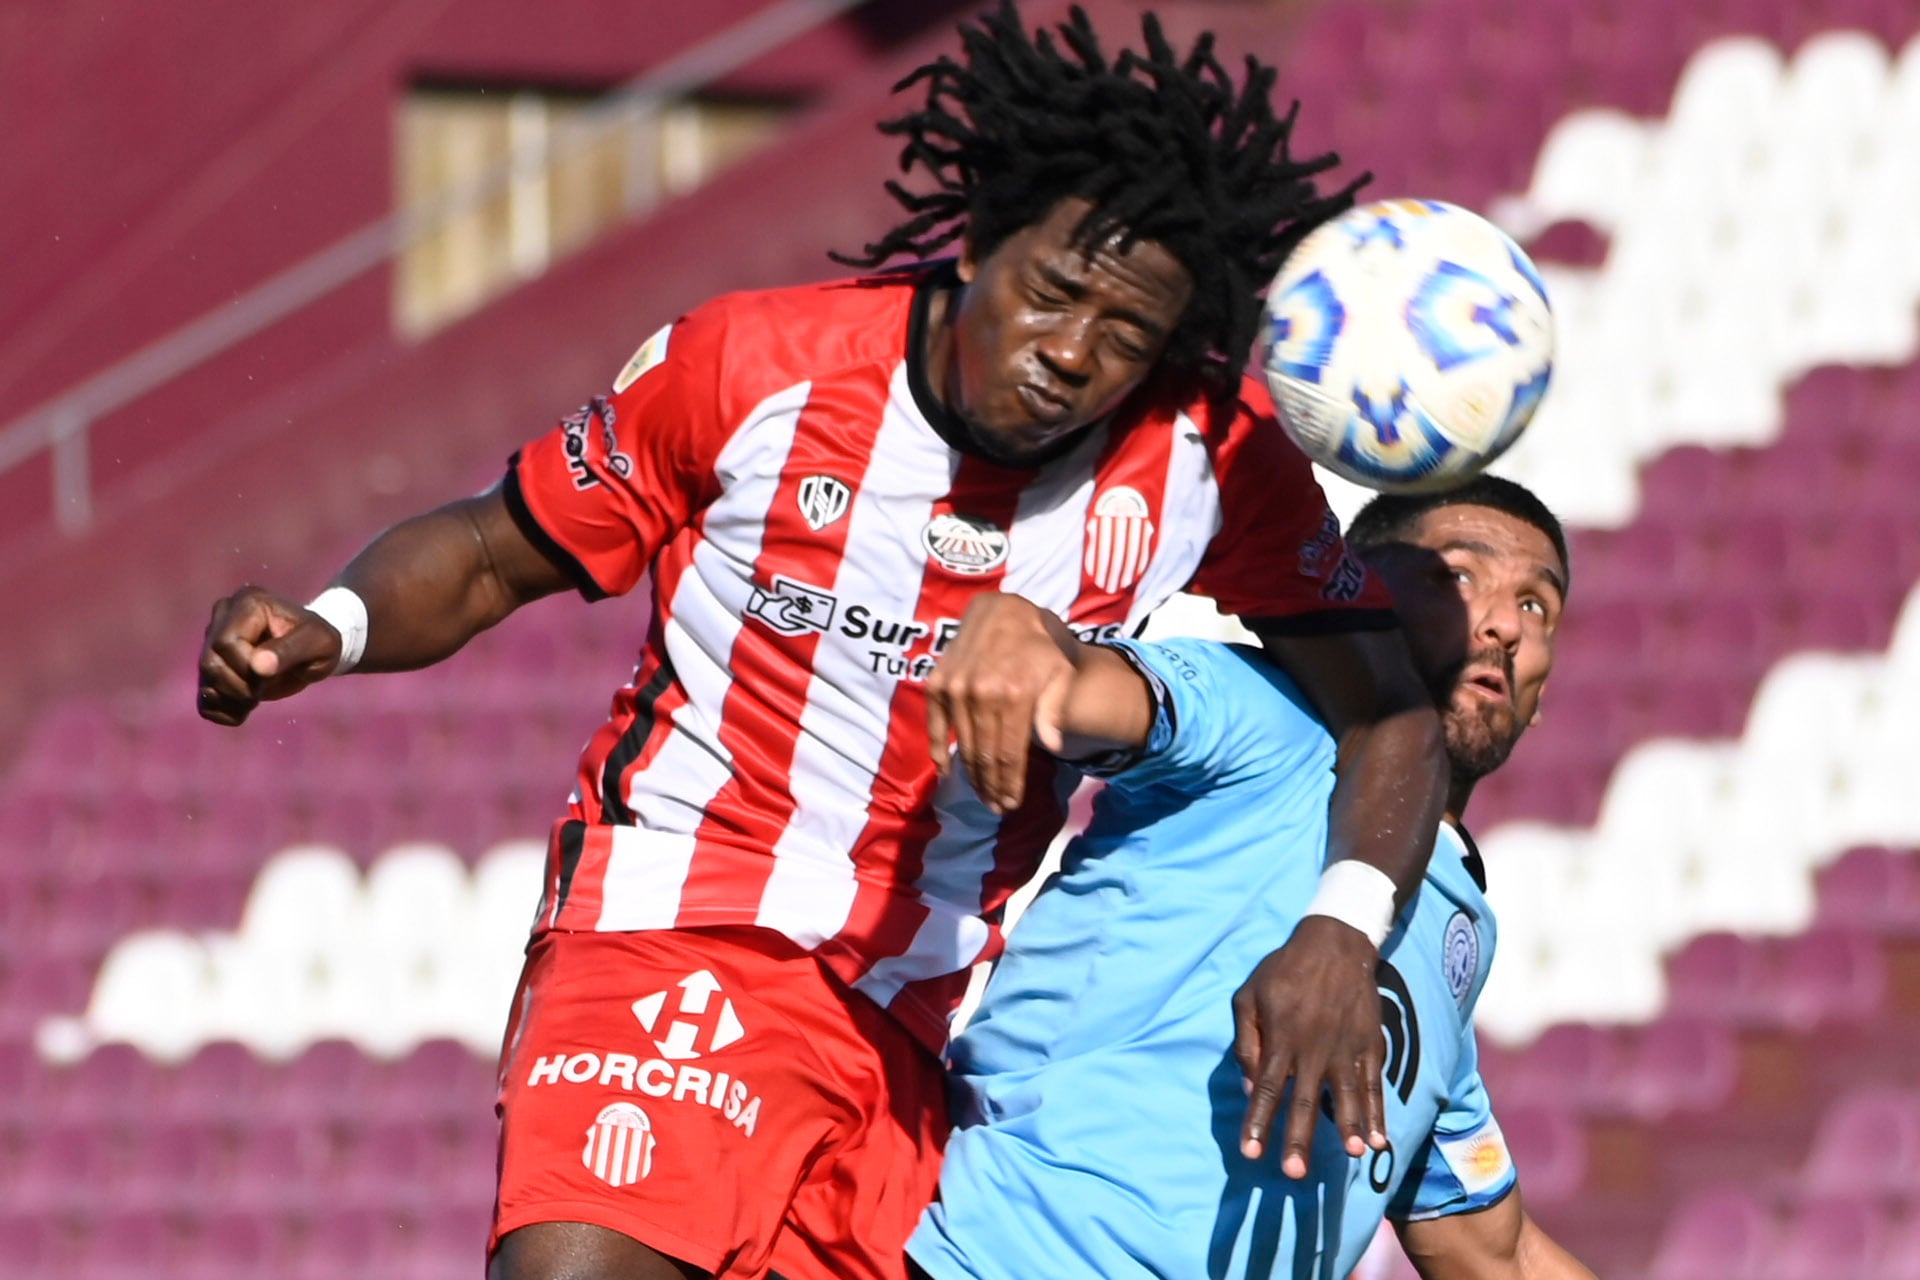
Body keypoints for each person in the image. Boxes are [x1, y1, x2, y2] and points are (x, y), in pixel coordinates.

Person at [192, 6, 1449, 1279]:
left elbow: (1391, 708)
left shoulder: (1210, 453)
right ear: (981, 242)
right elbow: (485, 550)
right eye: (1057, 293)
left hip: (912, 1019)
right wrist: (333, 626)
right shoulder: (752, 364)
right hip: (682, 914)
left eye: (1125, 336)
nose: (1073, 352)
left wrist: (1342, 928)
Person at [909, 475, 1597, 1280]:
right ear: (1359, 600)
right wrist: (1024, 638)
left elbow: (1497, 1252)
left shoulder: (1460, 933)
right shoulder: (1262, 713)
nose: (1504, 625)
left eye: (1537, 606)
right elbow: (1082, 691)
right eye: (1458, 577)